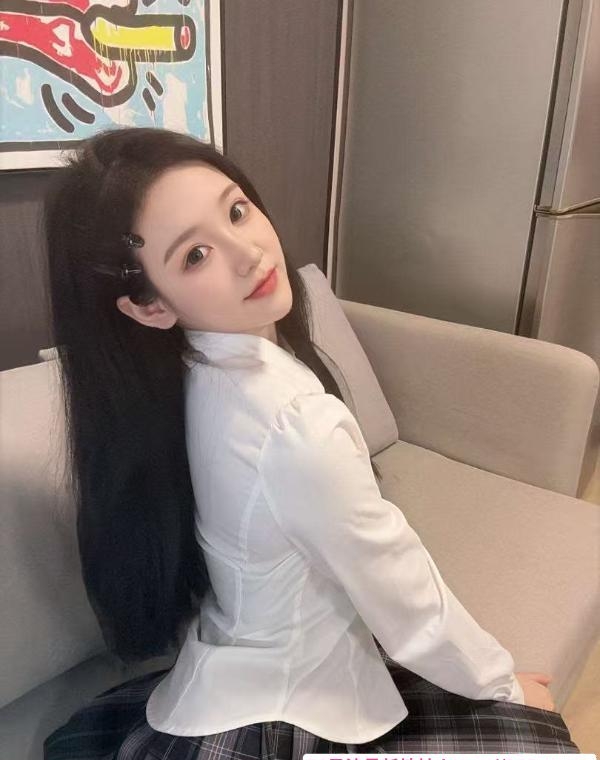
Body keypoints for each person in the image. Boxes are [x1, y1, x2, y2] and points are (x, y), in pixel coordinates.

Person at [42, 126, 578, 759]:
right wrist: (503, 686)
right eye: (196, 255)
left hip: (246, 666)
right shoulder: (294, 420)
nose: (249, 253)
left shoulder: (188, 373)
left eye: (236, 211)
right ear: (149, 307)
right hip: (283, 705)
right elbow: (400, 590)